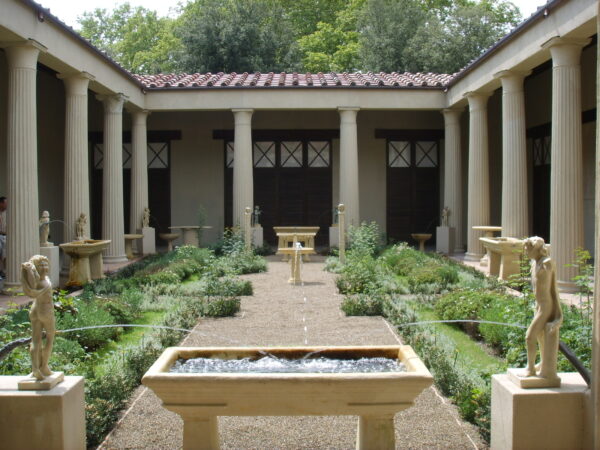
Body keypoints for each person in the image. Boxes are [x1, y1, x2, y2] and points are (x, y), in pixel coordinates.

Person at [523, 236, 563, 380]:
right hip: (538, 305)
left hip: (546, 306)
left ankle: (531, 368)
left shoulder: (547, 263)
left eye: (528, 249)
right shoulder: (534, 263)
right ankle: (541, 363)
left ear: (536, 249)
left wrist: (558, 314)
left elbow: (553, 289)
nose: (525, 252)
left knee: (529, 336)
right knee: (540, 336)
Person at [21, 255, 55, 380]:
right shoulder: (43, 282)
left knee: (35, 340)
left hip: (35, 310)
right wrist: (30, 270)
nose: (45, 267)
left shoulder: (36, 282)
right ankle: (44, 366)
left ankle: (35, 368)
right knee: (50, 338)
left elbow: (32, 286)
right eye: (41, 265)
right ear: (36, 267)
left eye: (46, 264)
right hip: (45, 310)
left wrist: (29, 270)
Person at [0, 197, 7, 277]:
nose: (7, 205)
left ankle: (3, 271)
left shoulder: (6, 213)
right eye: (6, 203)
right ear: (1, 203)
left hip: (5, 236)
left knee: (5, 254)